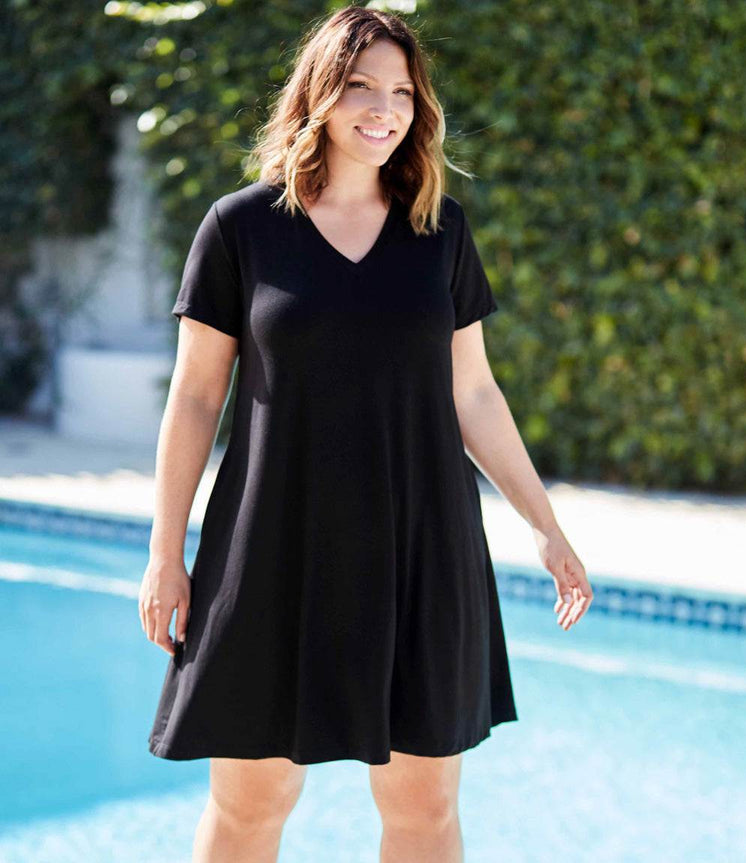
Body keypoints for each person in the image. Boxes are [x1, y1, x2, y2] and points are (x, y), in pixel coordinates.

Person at [139, 6, 593, 862]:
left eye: (402, 92)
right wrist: (167, 552)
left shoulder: (440, 232)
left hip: (422, 542)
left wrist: (546, 524)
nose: (384, 109)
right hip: (273, 542)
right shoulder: (240, 227)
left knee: (424, 805)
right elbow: (195, 398)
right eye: (360, 87)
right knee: (251, 801)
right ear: (318, 95)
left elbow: (475, 392)